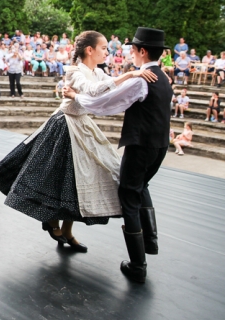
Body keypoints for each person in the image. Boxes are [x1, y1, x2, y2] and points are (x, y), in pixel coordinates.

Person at [0, 30, 156, 253]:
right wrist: (131, 75)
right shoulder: (75, 72)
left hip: (82, 125)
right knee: (61, 180)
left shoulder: (98, 72)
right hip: (64, 126)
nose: (107, 51)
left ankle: (66, 230)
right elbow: (93, 91)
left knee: (77, 184)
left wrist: (137, 77)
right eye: (104, 48)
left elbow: (111, 88)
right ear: (90, 50)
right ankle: (54, 223)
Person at [65, 27, 173, 284]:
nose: (130, 54)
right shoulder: (164, 77)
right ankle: (150, 241)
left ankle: (137, 264)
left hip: (141, 146)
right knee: (140, 187)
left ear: (142, 51)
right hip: (160, 146)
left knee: (129, 196)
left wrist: (75, 96)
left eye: (133, 50)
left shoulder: (141, 80)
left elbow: (106, 104)